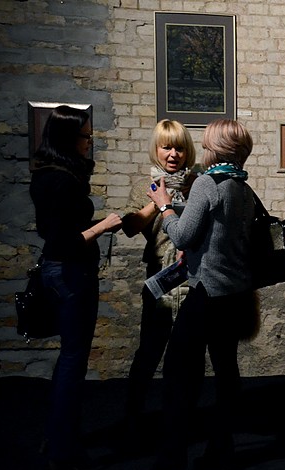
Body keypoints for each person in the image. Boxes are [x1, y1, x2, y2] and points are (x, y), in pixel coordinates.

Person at [138, 119, 257, 470]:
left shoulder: (207, 183)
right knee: (226, 372)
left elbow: (182, 235)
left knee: (178, 377)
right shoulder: (242, 187)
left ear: (214, 148)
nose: (201, 149)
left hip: (206, 293)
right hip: (235, 294)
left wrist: (164, 207)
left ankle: (170, 462)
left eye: (206, 144)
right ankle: (222, 449)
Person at [29, 105, 122, 470]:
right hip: (71, 272)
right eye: (85, 136)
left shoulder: (44, 174)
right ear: (70, 139)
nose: (89, 142)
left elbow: (49, 231)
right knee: (73, 360)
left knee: (69, 357)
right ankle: (63, 447)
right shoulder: (63, 181)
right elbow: (65, 241)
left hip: (58, 270)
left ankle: (58, 435)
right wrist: (103, 226)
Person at [120, 119, 198, 422]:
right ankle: (132, 416)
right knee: (150, 349)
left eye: (179, 148)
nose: (173, 154)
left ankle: (181, 417)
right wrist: (158, 202)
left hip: (192, 275)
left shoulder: (197, 184)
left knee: (188, 351)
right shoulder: (146, 186)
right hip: (159, 276)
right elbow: (130, 227)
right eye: (167, 147)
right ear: (157, 149)